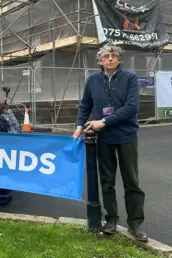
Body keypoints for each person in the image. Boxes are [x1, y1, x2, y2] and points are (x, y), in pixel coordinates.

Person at [73, 43, 148, 242]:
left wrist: (103, 121)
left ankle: (135, 224)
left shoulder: (130, 78)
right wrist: (80, 125)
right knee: (107, 181)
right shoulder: (93, 80)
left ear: (119, 60)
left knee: (131, 182)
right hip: (104, 139)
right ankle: (112, 220)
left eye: (114, 56)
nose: (110, 59)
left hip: (126, 137)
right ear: (100, 61)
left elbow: (131, 107)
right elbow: (85, 105)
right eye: (106, 56)